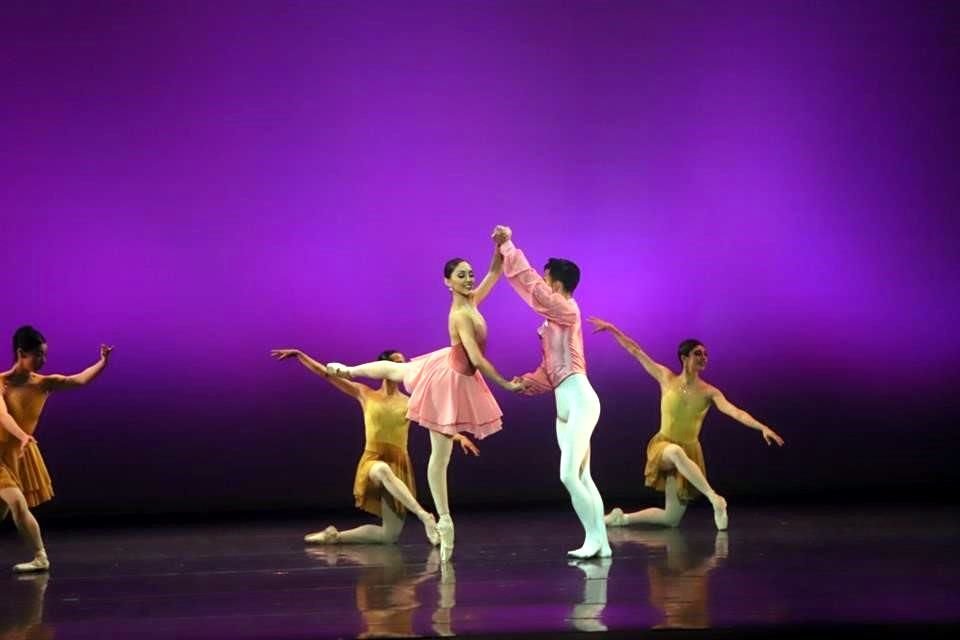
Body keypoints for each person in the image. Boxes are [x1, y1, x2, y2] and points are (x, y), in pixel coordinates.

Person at [326, 247, 523, 561]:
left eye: (470, 274)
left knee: (400, 373)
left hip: (455, 373)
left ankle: (443, 519)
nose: (469, 279)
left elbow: (495, 272)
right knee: (435, 448)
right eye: (462, 275)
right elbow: (475, 358)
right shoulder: (459, 314)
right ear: (448, 282)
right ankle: (444, 520)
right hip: (446, 382)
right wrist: (506, 384)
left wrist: (503, 243)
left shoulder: (471, 301)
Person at [589, 318, 784, 530]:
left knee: (670, 519)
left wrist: (761, 427)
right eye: (698, 353)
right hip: (663, 446)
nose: (704, 357)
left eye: (706, 354)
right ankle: (715, 499)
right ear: (684, 358)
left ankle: (622, 518)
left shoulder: (709, 392)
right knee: (674, 452)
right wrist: (612, 329)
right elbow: (636, 352)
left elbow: (735, 412)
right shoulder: (666, 378)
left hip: (690, 453)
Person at [270, 348, 478, 545]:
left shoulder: (410, 401)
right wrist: (300, 355)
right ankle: (425, 517)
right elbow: (327, 373)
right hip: (373, 459)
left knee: (389, 536)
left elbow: (435, 421)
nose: (402, 366)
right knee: (382, 469)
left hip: (399, 462)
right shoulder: (365, 393)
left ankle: (334, 536)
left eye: (402, 362)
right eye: (396, 362)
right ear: (382, 367)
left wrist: (458, 437)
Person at [492, 225, 609, 559]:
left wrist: (509, 247)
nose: (541, 284)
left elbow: (532, 289)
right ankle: (603, 543)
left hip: (581, 399)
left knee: (568, 475)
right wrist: (524, 384)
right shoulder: (553, 323)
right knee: (583, 476)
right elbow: (549, 371)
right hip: (564, 404)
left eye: (546, 280)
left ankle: (593, 539)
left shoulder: (567, 309)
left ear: (555, 283)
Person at [1, 325, 113, 572]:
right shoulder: (1, 383)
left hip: (16, 454)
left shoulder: (44, 384)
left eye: (44, 355)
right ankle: (41, 556)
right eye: (38, 355)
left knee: (9, 508)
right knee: (17, 504)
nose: (43, 360)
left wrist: (101, 363)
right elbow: (2, 415)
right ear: (22, 353)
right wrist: (22, 436)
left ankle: (40, 557)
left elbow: (78, 379)